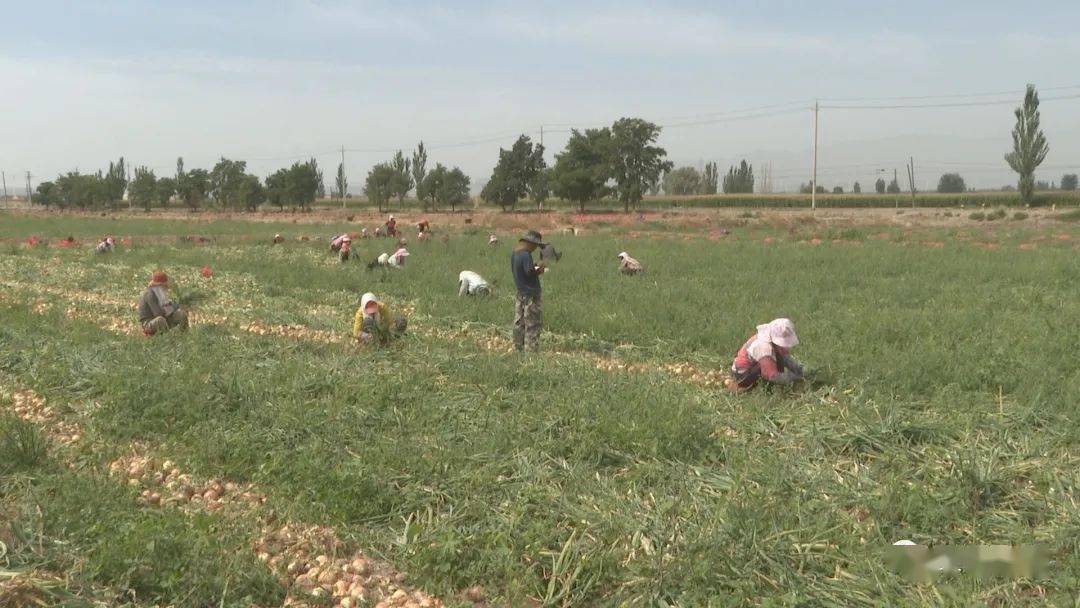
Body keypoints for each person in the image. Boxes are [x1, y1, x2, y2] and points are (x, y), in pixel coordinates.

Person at [727, 318, 805, 390]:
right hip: (743, 375)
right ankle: (765, 387)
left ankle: (782, 382)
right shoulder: (763, 347)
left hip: (754, 366)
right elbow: (771, 375)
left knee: (779, 358)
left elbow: (785, 356)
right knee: (773, 373)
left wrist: (799, 369)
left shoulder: (773, 342)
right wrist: (793, 378)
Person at [511, 230, 546, 352]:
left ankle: (518, 347)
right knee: (532, 324)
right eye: (535, 245)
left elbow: (523, 269)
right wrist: (540, 270)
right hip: (531, 294)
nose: (535, 248)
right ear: (530, 243)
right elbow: (529, 272)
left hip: (520, 292)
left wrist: (533, 265)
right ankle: (531, 352)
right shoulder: (526, 255)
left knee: (519, 323)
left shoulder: (515, 253)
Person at [137, 271, 189, 336]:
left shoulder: (161, 293)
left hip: (164, 317)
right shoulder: (150, 294)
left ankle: (184, 335)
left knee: (181, 314)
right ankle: (168, 339)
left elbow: (168, 306)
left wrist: (178, 306)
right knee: (160, 320)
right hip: (149, 323)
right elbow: (158, 313)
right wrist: (170, 309)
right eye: (163, 286)